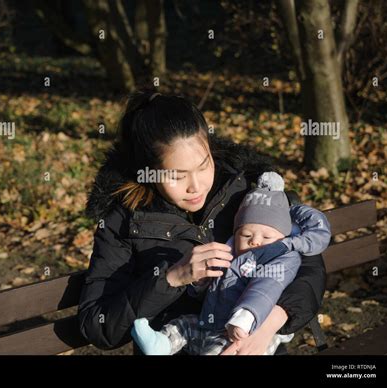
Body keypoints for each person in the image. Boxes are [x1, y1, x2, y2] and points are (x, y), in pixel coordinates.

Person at [77, 90, 327, 355]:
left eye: (204, 166)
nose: (196, 186)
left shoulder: (246, 190)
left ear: (210, 148)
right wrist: (171, 279)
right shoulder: (123, 221)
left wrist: (268, 324)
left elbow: (309, 266)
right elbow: (97, 325)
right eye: (177, 176)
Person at [130, 172, 331, 355]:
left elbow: (264, 290)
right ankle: (161, 343)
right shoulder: (230, 253)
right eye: (247, 234)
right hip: (210, 322)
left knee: (219, 351)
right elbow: (211, 287)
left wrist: (244, 321)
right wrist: (200, 283)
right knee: (183, 325)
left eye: (267, 236)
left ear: (282, 237)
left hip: (246, 331)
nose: (255, 241)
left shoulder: (281, 260)